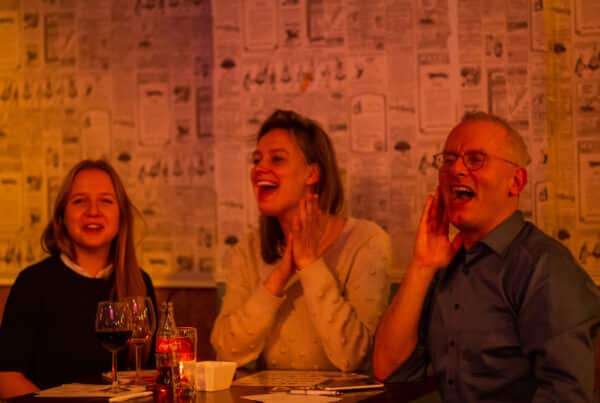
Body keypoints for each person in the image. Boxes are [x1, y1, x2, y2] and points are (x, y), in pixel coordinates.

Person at [373, 111, 600, 402]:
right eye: (448, 159)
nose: (456, 169)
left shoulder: (544, 267)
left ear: (516, 181)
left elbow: (567, 394)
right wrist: (421, 266)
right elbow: (388, 368)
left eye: (475, 159)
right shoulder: (446, 264)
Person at [210, 109, 391, 372]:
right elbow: (225, 352)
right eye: (257, 160)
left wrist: (309, 263)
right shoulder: (247, 250)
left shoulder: (366, 241)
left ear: (312, 174)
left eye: (277, 159)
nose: (259, 169)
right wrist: (279, 277)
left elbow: (354, 356)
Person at [0, 159, 157, 398]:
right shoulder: (32, 283)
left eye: (105, 201)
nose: (93, 211)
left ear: (121, 216)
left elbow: (153, 373)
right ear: (62, 215)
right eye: (79, 201)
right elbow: (6, 377)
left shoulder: (140, 282)